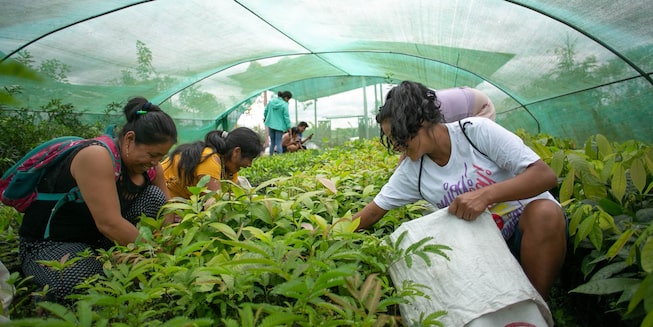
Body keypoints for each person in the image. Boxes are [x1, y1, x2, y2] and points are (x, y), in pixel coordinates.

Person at [352, 80, 566, 300]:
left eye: (398, 135)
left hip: (527, 234)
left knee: (544, 212)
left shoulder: (474, 132)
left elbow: (544, 175)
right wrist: (326, 233)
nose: (396, 146)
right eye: (391, 140)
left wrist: (486, 195)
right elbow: (374, 211)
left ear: (421, 120)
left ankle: (537, 305)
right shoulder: (413, 170)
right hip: (482, 248)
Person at [19, 97, 178, 302]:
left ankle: (112, 260)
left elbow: (167, 208)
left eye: (161, 156)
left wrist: (170, 246)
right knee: (93, 287)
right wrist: (157, 257)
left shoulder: (152, 168)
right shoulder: (97, 156)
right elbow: (109, 223)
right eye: (152, 154)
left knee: (153, 197)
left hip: (96, 240)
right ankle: (46, 294)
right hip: (51, 244)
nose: (155, 162)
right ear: (129, 139)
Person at [162, 127, 263, 199]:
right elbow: (215, 205)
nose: (249, 164)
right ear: (236, 152)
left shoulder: (230, 169)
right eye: (250, 159)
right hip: (161, 199)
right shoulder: (210, 159)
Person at [264, 91, 293, 155]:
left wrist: (266, 118)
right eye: (288, 99)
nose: (288, 101)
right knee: (278, 142)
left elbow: (266, 110)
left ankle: (270, 156)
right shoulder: (284, 104)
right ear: (285, 97)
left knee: (272, 142)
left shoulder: (271, 101)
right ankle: (280, 157)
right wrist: (289, 127)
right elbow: (286, 117)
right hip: (279, 126)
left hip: (270, 124)